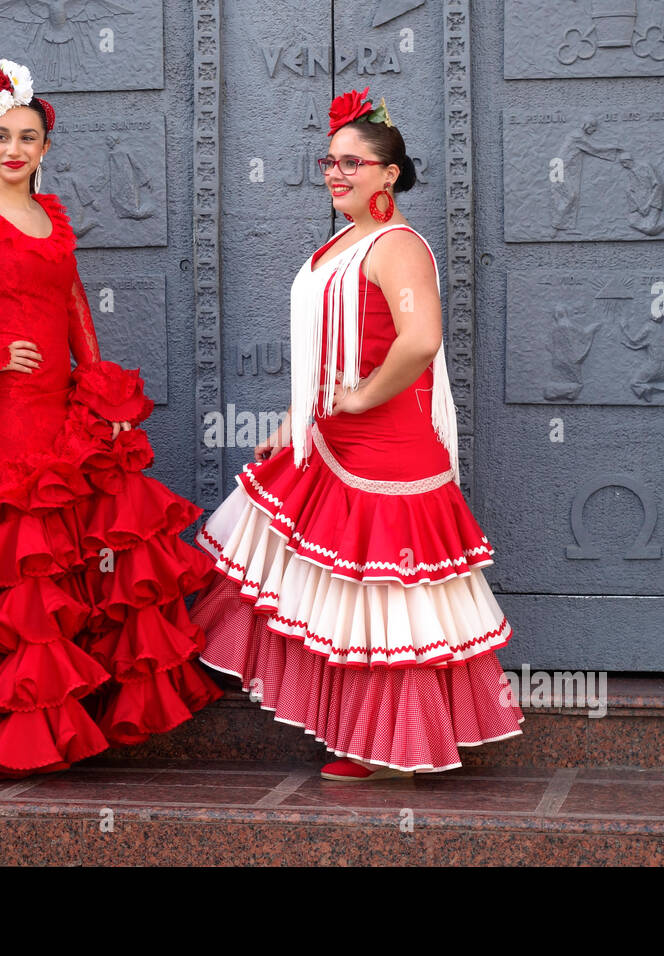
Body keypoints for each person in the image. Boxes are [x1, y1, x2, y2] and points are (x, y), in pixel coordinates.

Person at [0, 58, 221, 780]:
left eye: (26, 138)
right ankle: (11, 724)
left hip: (63, 394)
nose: (13, 150)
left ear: (44, 149)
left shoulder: (52, 216)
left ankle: (65, 715)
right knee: (22, 536)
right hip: (7, 400)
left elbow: (72, 307)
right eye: (0, 136)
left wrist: (100, 392)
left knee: (80, 529)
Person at [189, 88, 525, 780]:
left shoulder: (397, 246)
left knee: (387, 603)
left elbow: (421, 338)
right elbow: (331, 349)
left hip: (388, 450)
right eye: (329, 161)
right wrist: (296, 421)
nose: (336, 173)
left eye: (353, 162)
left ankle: (392, 745)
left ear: (389, 174)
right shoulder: (348, 240)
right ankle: (355, 738)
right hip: (335, 445)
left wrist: (365, 396)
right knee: (341, 597)